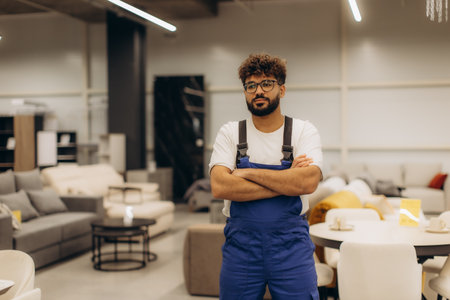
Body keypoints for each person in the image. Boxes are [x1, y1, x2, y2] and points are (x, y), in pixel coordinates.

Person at [209, 53, 323, 300]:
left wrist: (246, 173)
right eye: (251, 85)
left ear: (281, 90)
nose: (258, 91)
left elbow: (308, 182)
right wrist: (287, 179)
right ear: (245, 91)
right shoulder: (230, 132)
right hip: (241, 249)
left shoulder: (303, 131)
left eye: (267, 84)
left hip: (291, 246)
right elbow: (220, 186)